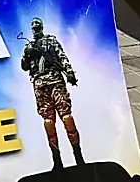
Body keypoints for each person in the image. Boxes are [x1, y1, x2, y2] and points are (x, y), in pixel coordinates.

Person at [21, 18, 82, 170]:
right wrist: (26, 55)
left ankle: (77, 156)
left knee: (64, 116)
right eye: (34, 28)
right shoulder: (30, 46)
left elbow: (61, 57)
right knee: (50, 120)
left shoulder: (49, 41)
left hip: (51, 81)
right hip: (42, 85)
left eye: (37, 27)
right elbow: (25, 66)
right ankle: (58, 160)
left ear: (40, 28)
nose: (35, 30)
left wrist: (69, 72)